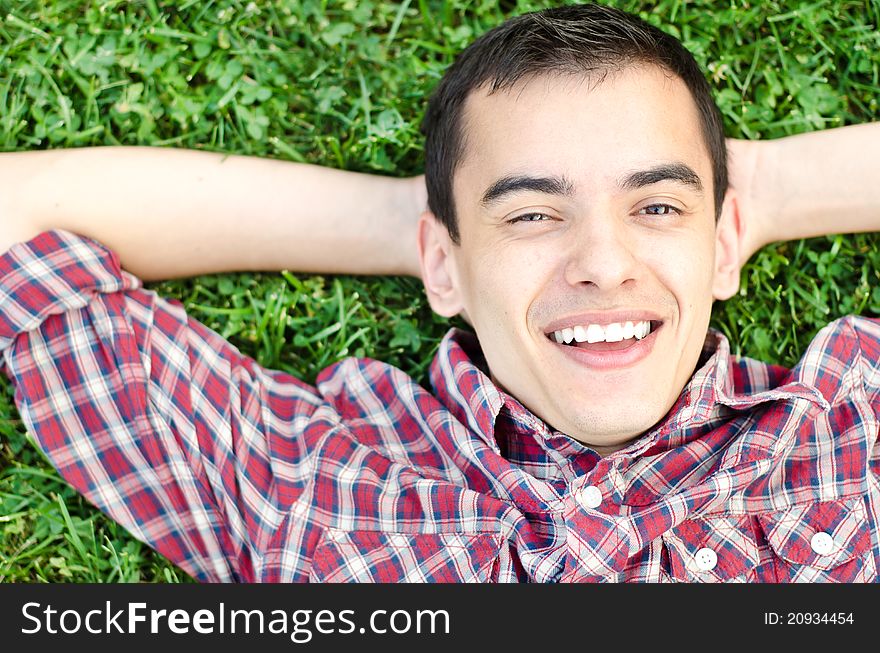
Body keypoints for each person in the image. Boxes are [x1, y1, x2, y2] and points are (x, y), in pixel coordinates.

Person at [1, 3, 878, 583]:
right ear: (446, 262)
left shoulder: (855, 419)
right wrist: (424, 228)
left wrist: (763, 190)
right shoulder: (310, 484)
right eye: (532, 215)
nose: (604, 264)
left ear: (723, 241)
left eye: (657, 205)